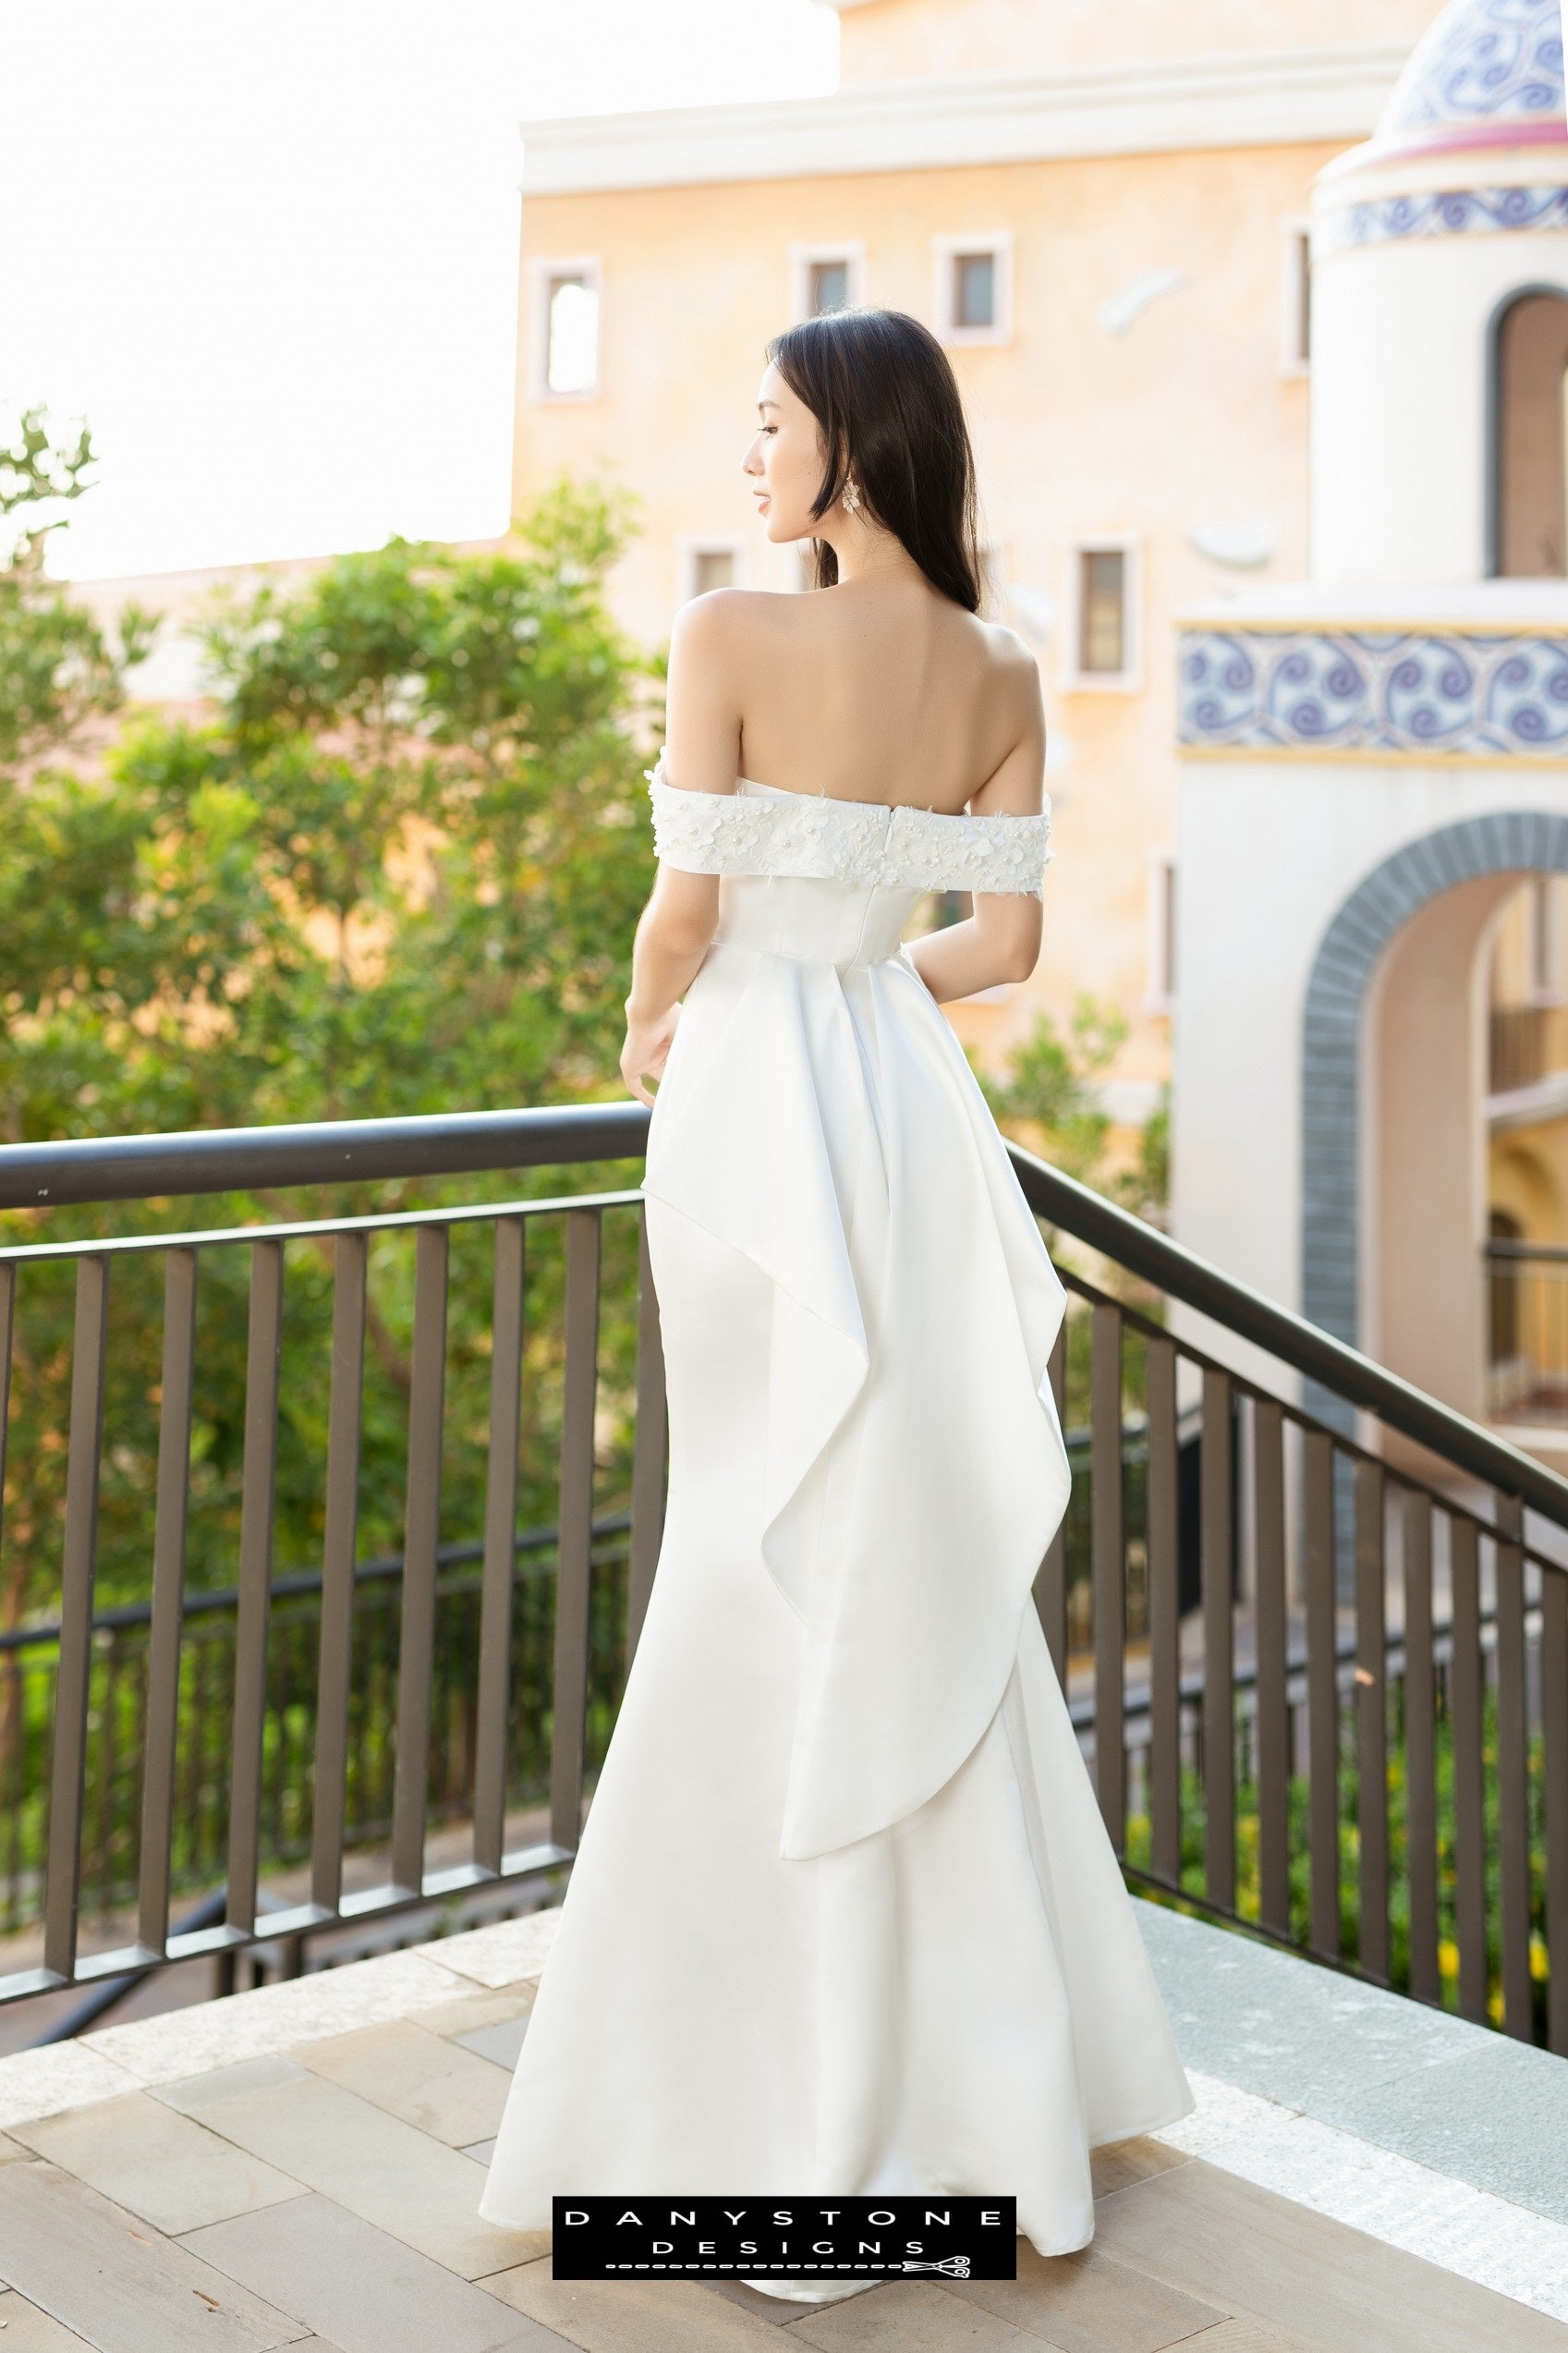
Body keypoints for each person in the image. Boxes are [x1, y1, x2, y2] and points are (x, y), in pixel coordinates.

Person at [480, 307, 1192, 2304]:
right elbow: (1014, 944)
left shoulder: (729, 633)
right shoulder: (1001, 666)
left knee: (748, 1534)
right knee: (893, 1533)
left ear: (850, 453)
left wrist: (651, 1025)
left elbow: (687, 913)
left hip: (748, 1109)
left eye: (767, 425)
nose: (746, 457)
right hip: (892, 1102)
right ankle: (970, 2106)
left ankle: (725, 2109)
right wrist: (868, 976)